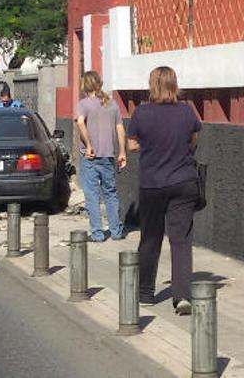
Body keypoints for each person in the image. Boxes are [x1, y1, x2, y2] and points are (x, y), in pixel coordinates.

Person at [127, 66, 201, 316]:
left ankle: (145, 293)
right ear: (174, 85)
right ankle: (182, 297)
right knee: (181, 241)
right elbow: (193, 141)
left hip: (152, 184)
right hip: (183, 182)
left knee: (150, 238)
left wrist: (149, 147)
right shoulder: (186, 112)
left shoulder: (141, 113)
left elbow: (132, 144)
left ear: (152, 86)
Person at [74, 70, 127, 242]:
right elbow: (120, 128)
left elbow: (80, 121)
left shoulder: (83, 104)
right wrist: (122, 152)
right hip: (108, 155)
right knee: (110, 193)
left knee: (92, 194)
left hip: (90, 156)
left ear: (84, 85)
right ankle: (116, 231)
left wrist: (88, 144)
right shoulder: (111, 104)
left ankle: (97, 233)